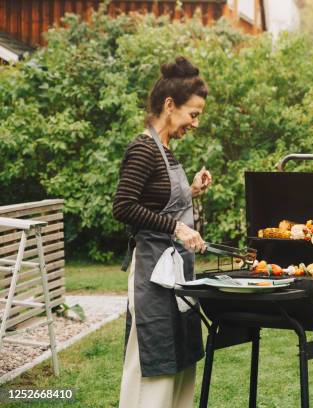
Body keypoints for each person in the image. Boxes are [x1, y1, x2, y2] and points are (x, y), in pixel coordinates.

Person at [112, 56, 212, 408]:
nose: (195, 123)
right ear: (170, 105)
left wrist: (192, 191)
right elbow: (123, 206)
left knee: (180, 359)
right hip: (153, 273)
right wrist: (177, 227)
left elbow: (157, 200)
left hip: (175, 272)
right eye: (193, 114)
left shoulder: (165, 151)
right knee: (155, 362)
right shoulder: (143, 149)